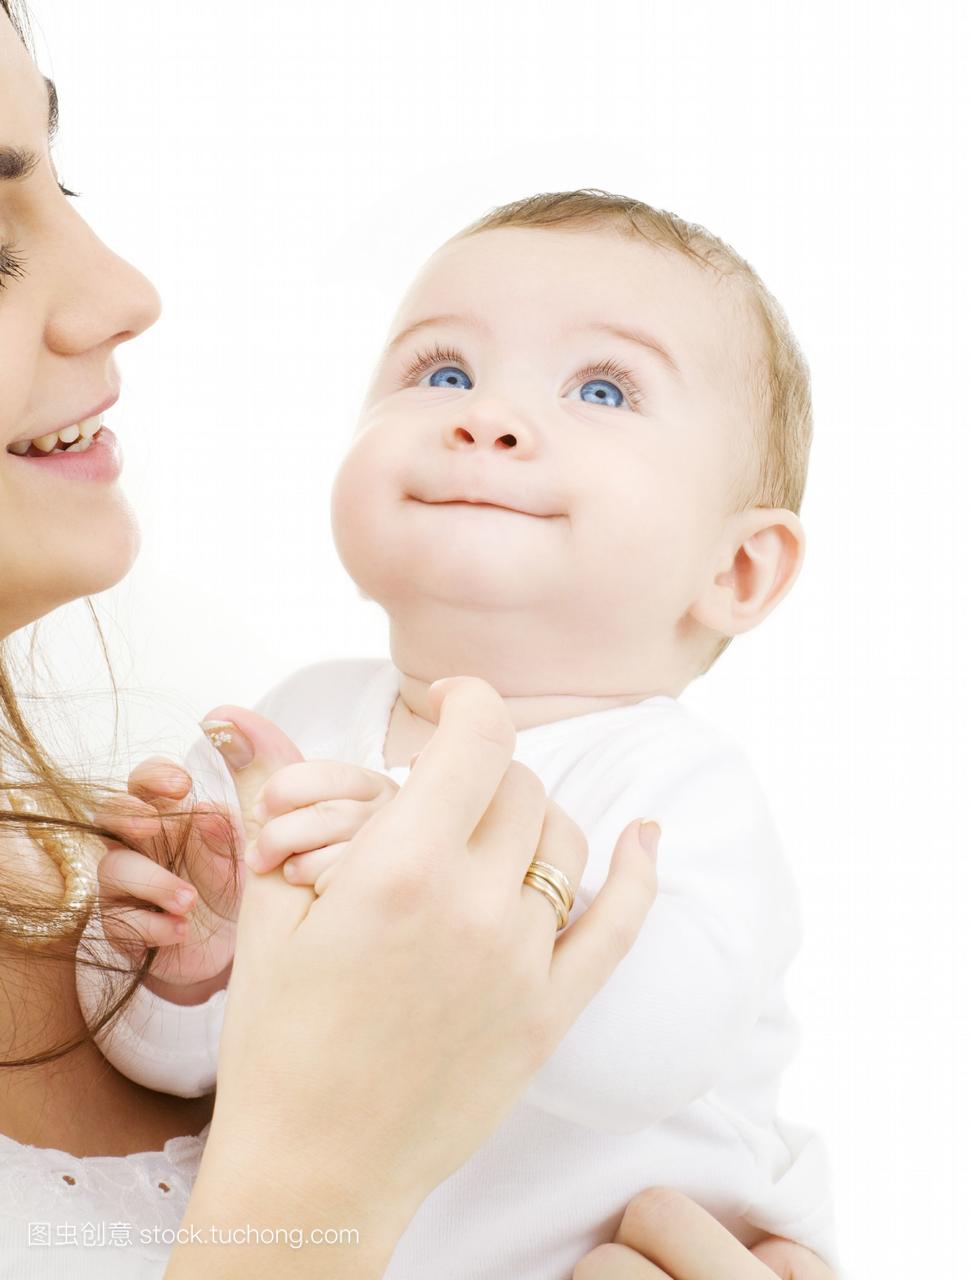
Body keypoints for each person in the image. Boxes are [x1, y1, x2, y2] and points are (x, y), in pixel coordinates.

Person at [0, 1, 836, 1276]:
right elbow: (211, 1072)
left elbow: (640, 1056)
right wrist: (187, 964)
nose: (488, 419)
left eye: (601, 390)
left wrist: (346, 930)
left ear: (735, 568)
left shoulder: (677, 791)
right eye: (440, 373)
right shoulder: (310, 714)